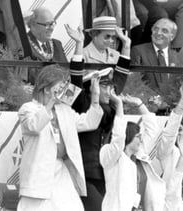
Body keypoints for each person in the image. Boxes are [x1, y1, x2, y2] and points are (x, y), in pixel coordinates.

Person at [16, 65, 103, 210]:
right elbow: (34, 126)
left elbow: (90, 122)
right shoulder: (28, 108)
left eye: (65, 86)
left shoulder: (64, 110)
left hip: (61, 170)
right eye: (60, 86)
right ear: (47, 88)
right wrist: (50, 103)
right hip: (39, 172)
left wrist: (95, 96)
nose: (64, 91)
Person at [66, 23, 132, 210]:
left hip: (105, 172)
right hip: (85, 172)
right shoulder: (82, 103)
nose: (110, 91)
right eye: (104, 86)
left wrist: (126, 45)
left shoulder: (110, 105)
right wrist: (79, 45)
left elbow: (120, 78)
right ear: (92, 87)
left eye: (110, 87)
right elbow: (76, 78)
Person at [100, 93, 169, 210]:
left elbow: (152, 129)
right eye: (137, 136)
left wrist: (139, 103)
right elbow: (119, 137)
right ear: (128, 136)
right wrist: (119, 104)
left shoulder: (139, 154)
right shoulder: (111, 156)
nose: (140, 139)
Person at [131, 18, 180, 95]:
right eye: (156, 29)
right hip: (148, 103)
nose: (158, 33)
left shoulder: (177, 56)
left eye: (164, 31)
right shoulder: (138, 51)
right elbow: (135, 82)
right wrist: (155, 102)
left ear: (172, 37)